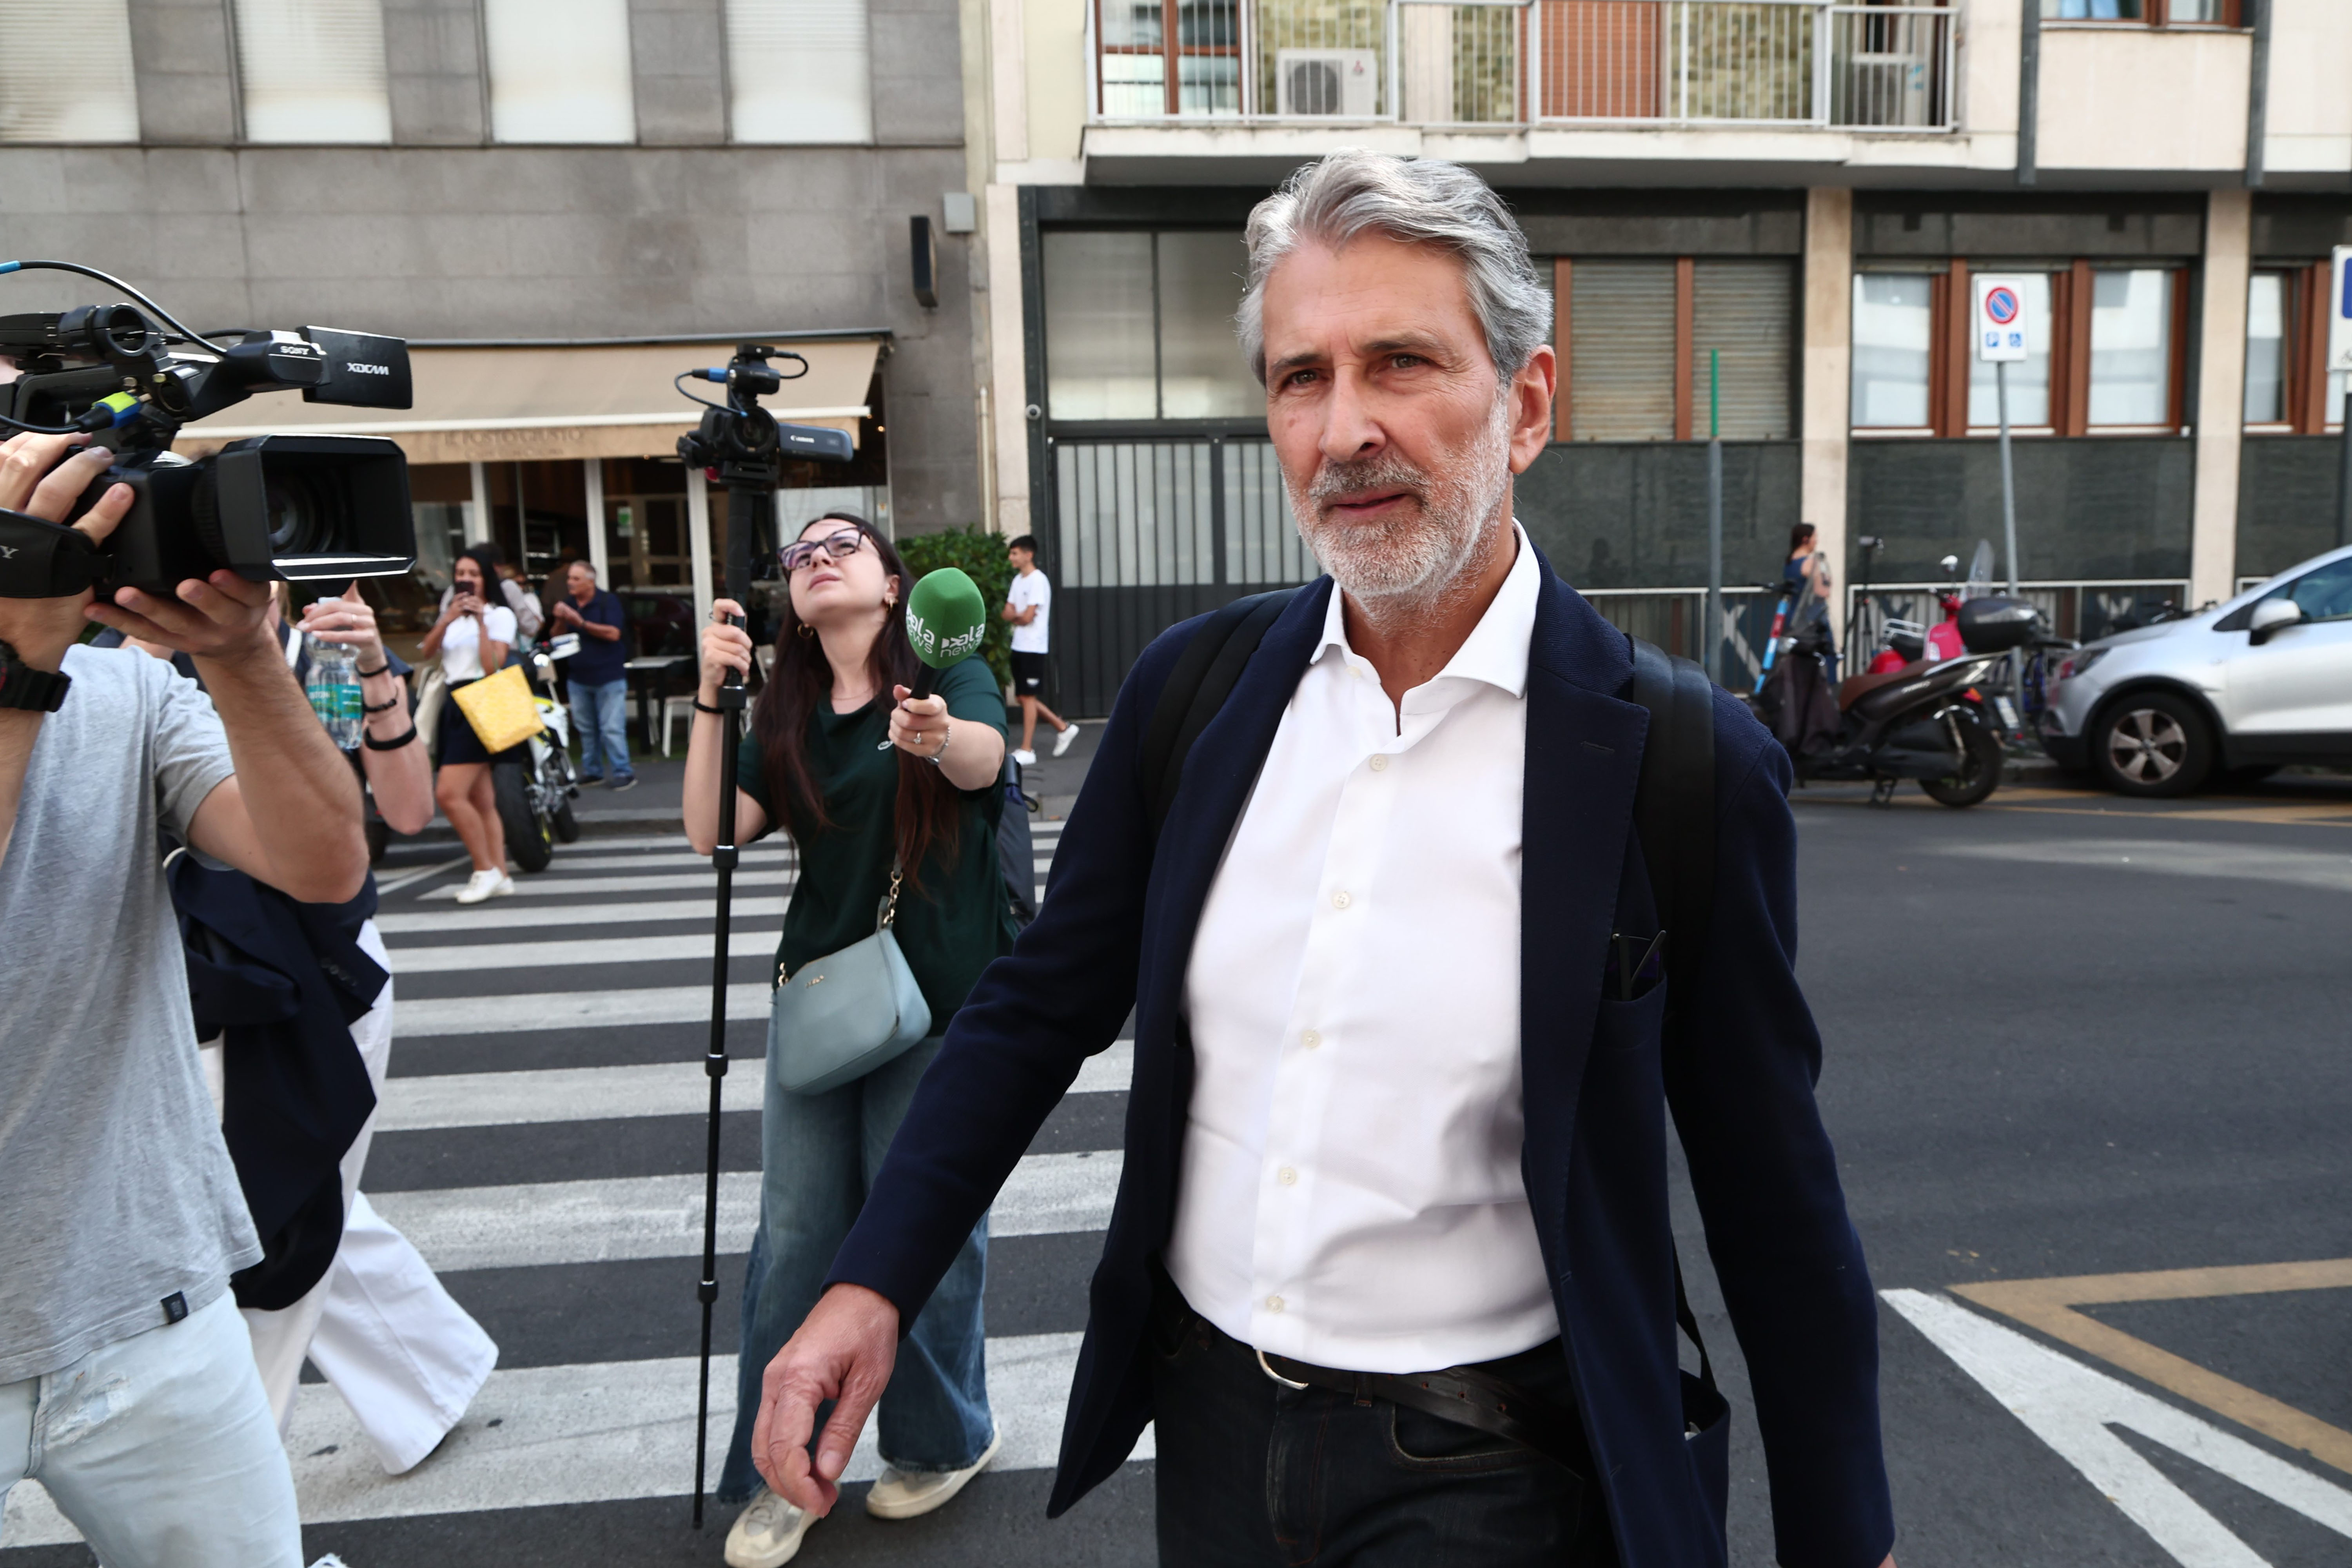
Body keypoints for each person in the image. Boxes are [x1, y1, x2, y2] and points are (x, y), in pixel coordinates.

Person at [746, 152, 1898, 1568]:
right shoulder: (1193, 696)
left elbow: (1772, 1195)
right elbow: (1037, 1005)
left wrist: (1845, 1538)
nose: (1344, 428)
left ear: (1526, 403)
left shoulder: (1678, 761)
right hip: (1211, 1438)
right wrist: (871, 1277)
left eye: (1400, 362)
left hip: (1495, 1475)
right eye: (1301, 378)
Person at [0, 431, 370, 1567]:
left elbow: (322, 864)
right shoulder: (48, 672)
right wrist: (18, 670)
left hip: (152, 1296)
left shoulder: (124, 691)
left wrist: (244, 656)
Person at [683, 513, 1010, 1568]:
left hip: (938, 994)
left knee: (923, 1232)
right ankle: (778, 1471)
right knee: (796, 1238)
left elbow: (986, 763)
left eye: (843, 545)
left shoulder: (944, 674)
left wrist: (936, 734)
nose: (818, 559)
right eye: (801, 554)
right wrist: (711, 697)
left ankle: (943, 1436)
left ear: (891, 582)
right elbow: (712, 829)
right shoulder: (785, 710)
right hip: (823, 1001)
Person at [420, 544, 520, 905]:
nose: (466, 580)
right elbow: (426, 652)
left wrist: (480, 623)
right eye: (461, 574)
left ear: (486, 579)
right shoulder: (450, 613)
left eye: (473, 574)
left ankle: (484, 869)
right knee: (481, 798)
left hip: (482, 700)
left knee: (449, 794)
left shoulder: (499, 615)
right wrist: (448, 619)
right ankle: (500, 873)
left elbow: (493, 665)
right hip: (453, 703)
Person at [550, 559, 635, 789]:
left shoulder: (608, 601)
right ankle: (593, 771)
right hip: (578, 677)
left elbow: (614, 634)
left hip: (609, 675)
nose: (570, 583)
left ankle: (623, 771)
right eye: (569, 578)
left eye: (576, 579)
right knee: (586, 728)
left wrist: (582, 623)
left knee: (611, 728)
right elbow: (557, 638)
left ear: (590, 581)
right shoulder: (569, 603)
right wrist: (560, 619)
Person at [1000, 534, 1078, 766]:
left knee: (1028, 697)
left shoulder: (1038, 581)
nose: (1011, 557)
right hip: (1019, 645)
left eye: (1015, 553)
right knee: (1023, 697)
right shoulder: (1018, 581)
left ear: (1029, 554)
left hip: (1033, 647)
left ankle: (1028, 749)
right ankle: (1063, 728)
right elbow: (1007, 613)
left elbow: (1027, 617)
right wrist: (1019, 616)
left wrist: (1018, 616)